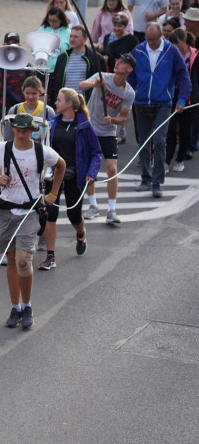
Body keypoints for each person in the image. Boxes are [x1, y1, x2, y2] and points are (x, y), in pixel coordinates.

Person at [0, 113, 66, 330]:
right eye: (17, 130)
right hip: (6, 211)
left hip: (30, 211)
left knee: (23, 260)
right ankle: (15, 307)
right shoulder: (2, 148)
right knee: (11, 261)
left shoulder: (41, 150)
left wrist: (53, 195)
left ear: (31, 130)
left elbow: (61, 165)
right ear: (13, 129)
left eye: (24, 130)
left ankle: (27, 305)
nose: (20, 134)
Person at [37, 88, 102, 269]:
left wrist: (91, 173)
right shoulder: (51, 124)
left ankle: (81, 234)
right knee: (51, 214)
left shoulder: (85, 126)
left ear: (69, 104)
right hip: (53, 174)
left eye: (58, 100)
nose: (55, 103)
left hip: (75, 175)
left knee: (74, 215)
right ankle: (51, 256)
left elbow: (96, 153)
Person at [128, 22, 193, 197]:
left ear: (161, 37)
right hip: (141, 102)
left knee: (158, 140)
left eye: (154, 40)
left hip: (163, 102)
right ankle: (145, 179)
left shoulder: (171, 51)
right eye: (148, 40)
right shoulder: (139, 50)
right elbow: (130, 75)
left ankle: (157, 181)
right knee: (143, 141)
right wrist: (130, 93)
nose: (150, 43)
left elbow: (183, 76)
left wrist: (181, 99)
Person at [78, 54, 137, 225]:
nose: (118, 62)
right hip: (90, 128)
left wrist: (111, 120)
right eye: (117, 60)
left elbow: (123, 118)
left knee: (112, 168)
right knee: (89, 168)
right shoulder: (103, 77)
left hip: (108, 132)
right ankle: (93, 205)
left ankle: (111, 209)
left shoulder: (128, 92)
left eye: (123, 62)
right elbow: (81, 85)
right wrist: (94, 84)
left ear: (129, 69)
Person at [0, 32, 33, 144]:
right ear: (3, 45)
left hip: (21, 112)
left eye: (14, 43)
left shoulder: (27, 67)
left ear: (19, 45)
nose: (11, 46)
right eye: (8, 43)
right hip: (1, 112)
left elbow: (33, 93)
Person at [166, 29, 199, 172]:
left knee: (186, 130)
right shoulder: (170, 54)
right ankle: (166, 161)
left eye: (177, 43)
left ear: (184, 41)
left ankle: (180, 159)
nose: (174, 46)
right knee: (170, 130)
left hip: (191, 97)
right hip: (173, 95)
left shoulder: (196, 55)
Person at [48, 25, 104, 107]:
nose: (72, 39)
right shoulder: (62, 58)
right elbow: (55, 83)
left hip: (86, 104)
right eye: (71, 36)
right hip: (65, 104)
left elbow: (102, 81)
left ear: (85, 39)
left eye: (76, 37)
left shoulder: (96, 58)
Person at [4, 77, 55, 143]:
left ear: (40, 92)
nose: (30, 97)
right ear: (23, 92)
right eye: (27, 93)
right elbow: (8, 137)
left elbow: (51, 137)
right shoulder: (14, 110)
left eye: (34, 93)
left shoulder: (48, 111)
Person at [39, 8, 72, 73]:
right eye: (50, 20)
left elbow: (71, 51)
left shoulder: (68, 32)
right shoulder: (42, 29)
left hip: (60, 69)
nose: (51, 23)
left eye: (55, 21)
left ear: (61, 20)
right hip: (43, 68)